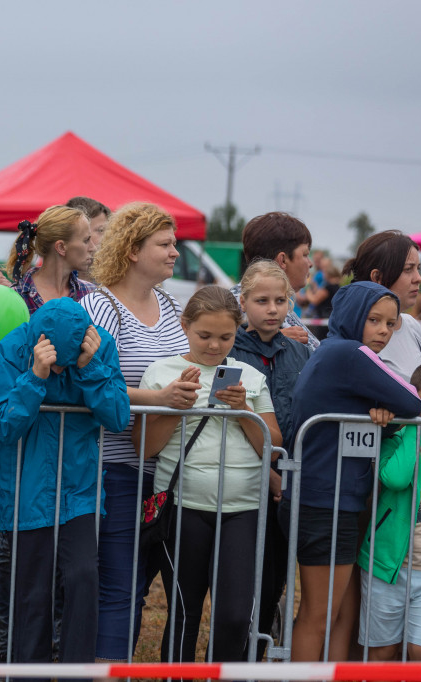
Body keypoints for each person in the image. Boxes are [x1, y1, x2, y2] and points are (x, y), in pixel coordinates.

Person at [79, 202, 198, 662]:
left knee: (140, 591)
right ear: (132, 250)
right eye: (164, 244)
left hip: (166, 471)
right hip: (115, 469)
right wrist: (160, 400)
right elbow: (92, 384)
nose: (174, 253)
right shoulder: (102, 306)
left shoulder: (170, 305)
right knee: (119, 589)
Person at [137, 286, 282, 663]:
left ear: (238, 332)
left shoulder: (249, 376)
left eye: (226, 337)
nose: (215, 346)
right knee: (184, 613)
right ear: (185, 326)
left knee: (235, 617)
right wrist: (173, 406)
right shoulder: (162, 372)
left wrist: (245, 409)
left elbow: (272, 444)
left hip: (245, 509)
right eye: (205, 335)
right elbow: (145, 447)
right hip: (184, 506)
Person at [282, 281, 421, 662]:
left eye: (391, 324)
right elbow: (412, 399)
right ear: (351, 316)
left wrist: (380, 415)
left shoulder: (333, 351)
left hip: (328, 498)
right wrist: (386, 406)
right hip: (324, 501)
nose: (383, 331)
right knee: (319, 614)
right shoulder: (349, 352)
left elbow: (391, 413)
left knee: (340, 611)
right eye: (374, 319)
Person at [0, 298, 129, 673]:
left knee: (83, 579)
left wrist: (89, 368)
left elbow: (117, 416)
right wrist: (35, 376)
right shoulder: (14, 347)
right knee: (32, 594)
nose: (62, 370)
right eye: (59, 364)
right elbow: (3, 425)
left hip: (79, 488)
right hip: (26, 487)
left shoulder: (99, 346)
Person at [229, 260, 313, 659]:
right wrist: (270, 473)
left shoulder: (298, 351)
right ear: (243, 302)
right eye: (262, 300)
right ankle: (227, 657)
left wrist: (288, 474)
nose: (273, 309)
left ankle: (254, 656)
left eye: (281, 300)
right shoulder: (229, 350)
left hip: (287, 482)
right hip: (243, 482)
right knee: (242, 584)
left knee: (274, 581)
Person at [356, 360, 421, 662]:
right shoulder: (398, 438)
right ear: (414, 399)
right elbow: (396, 478)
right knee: (382, 652)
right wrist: (417, 429)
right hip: (387, 567)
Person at [343, 230, 421, 381]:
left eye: (418, 268)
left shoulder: (412, 326)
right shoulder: (355, 335)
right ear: (377, 277)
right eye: (408, 269)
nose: (418, 278)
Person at [231, 212, 317, 351]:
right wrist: (269, 341)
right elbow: (217, 348)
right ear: (282, 260)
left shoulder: (282, 305)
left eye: (280, 301)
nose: (310, 263)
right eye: (305, 255)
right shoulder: (233, 305)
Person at [7, 205, 97, 314]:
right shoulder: (17, 296)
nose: (93, 248)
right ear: (61, 247)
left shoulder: (91, 294)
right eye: (86, 240)